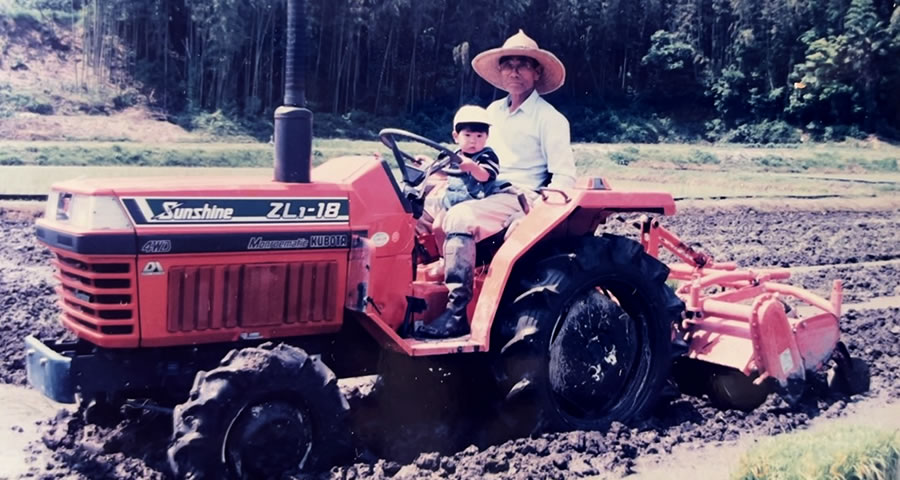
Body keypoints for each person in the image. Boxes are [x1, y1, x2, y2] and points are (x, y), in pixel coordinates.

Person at [412, 29, 576, 340]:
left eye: (523, 65)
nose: (515, 71)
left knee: (459, 218)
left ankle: (456, 313)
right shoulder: (491, 114)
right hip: (478, 187)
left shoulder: (549, 119)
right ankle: (404, 296)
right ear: (500, 72)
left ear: (537, 72)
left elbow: (564, 176)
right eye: (508, 65)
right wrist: (437, 166)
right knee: (410, 209)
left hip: (515, 193)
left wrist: (540, 212)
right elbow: (471, 154)